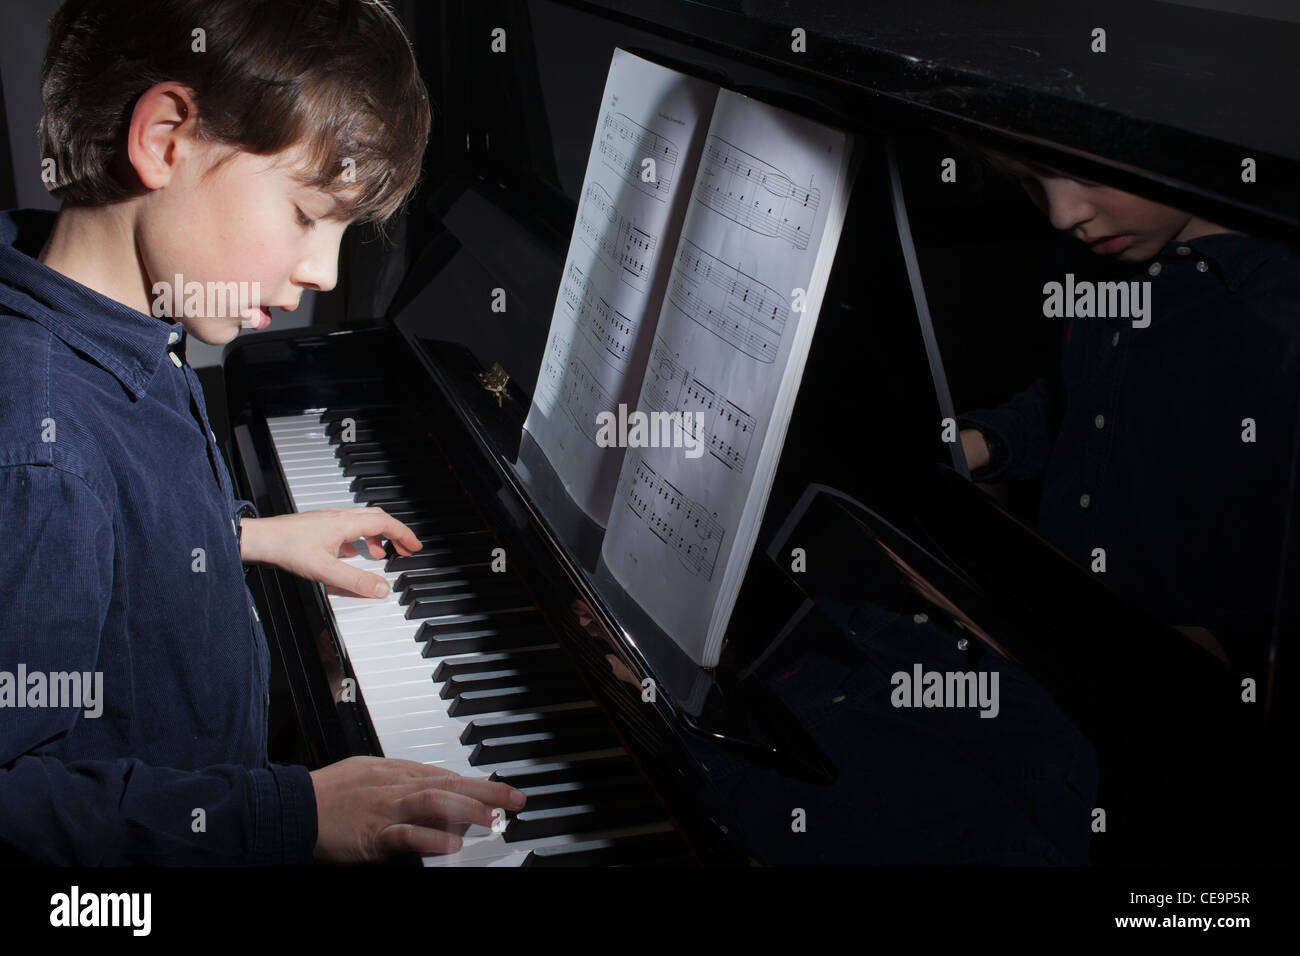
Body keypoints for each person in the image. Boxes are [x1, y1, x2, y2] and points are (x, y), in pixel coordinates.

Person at [0, 0, 524, 865]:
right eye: (307, 215)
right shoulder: (39, 452)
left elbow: (110, 523)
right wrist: (292, 815)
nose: (322, 271)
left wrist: (241, 535)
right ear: (165, 139)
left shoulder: (111, 311)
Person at [957, 149, 1300, 681]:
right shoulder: (1107, 267)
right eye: (1030, 183)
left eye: (1085, 175)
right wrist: (984, 442)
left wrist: (1233, 645)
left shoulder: (1279, 314)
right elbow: (1085, 400)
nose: (1062, 214)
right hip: (1053, 620)